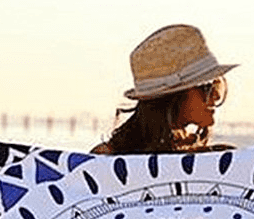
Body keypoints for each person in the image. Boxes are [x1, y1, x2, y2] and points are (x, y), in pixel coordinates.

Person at [92, 24, 237, 155]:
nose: (216, 96)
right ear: (173, 96)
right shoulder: (107, 157)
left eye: (217, 84)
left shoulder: (216, 157)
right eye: (207, 88)